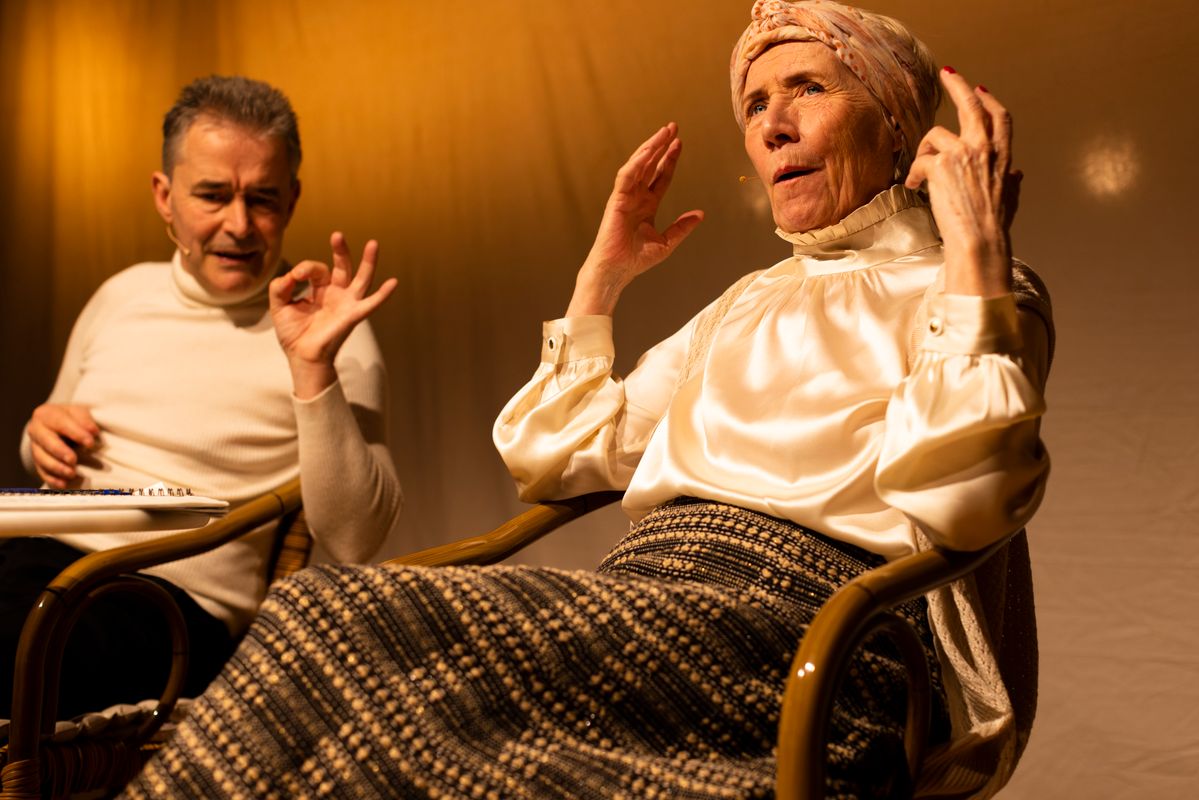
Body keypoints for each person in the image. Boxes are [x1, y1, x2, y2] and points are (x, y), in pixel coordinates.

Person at [120, 2, 1051, 798]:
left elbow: (964, 502)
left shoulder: (981, 291)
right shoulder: (748, 301)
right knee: (330, 639)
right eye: (753, 103)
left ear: (896, 122)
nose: (771, 125)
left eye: (806, 88)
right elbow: (555, 459)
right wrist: (600, 279)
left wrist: (974, 255)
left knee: (337, 624)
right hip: (647, 601)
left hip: (803, 637)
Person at [2, 75, 402, 719]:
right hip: (33, 564)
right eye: (213, 195)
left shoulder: (329, 332)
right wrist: (39, 435)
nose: (239, 226)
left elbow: (357, 539)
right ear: (165, 197)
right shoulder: (121, 294)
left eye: (263, 199)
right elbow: (42, 438)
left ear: (292, 201)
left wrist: (312, 369)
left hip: (168, 609)